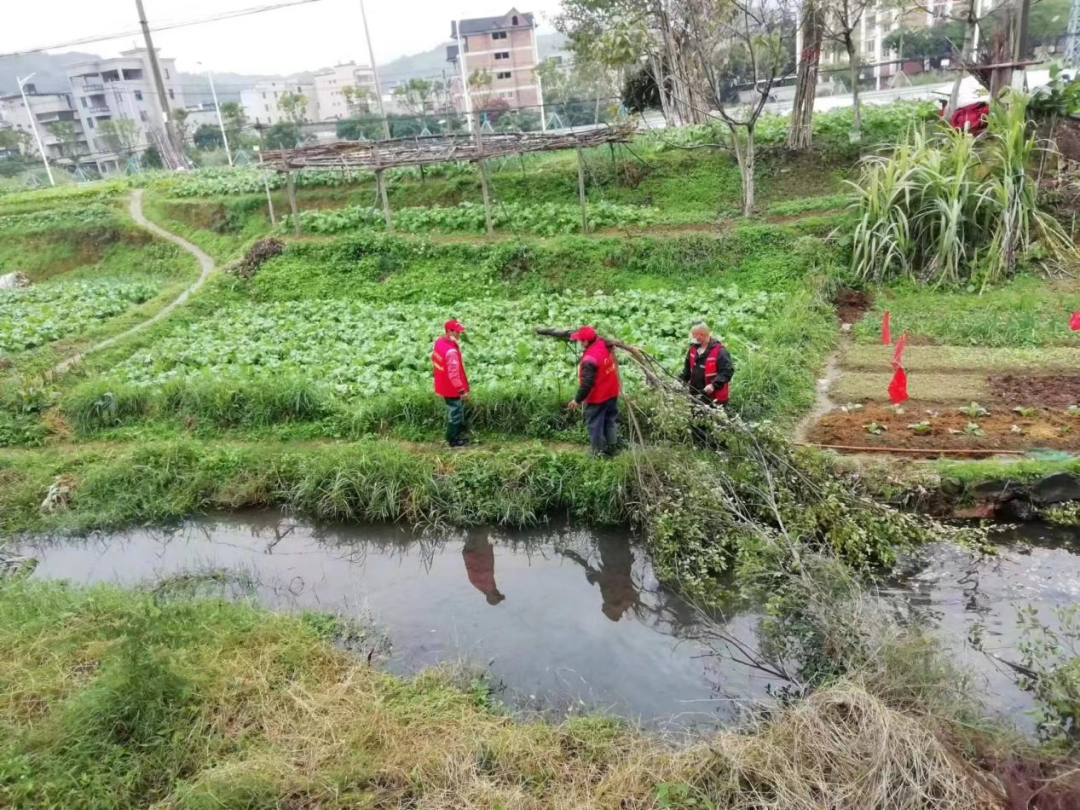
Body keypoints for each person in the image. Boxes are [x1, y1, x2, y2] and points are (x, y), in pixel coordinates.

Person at [566, 325, 621, 456]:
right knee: (610, 419)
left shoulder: (589, 359)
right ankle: (612, 446)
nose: (579, 342)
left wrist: (577, 400)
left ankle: (597, 452)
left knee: (595, 423)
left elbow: (586, 385)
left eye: (580, 340)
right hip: (612, 391)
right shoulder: (602, 342)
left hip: (599, 397)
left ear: (585, 342)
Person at [681, 321, 734, 447]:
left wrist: (713, 385)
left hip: (714, 397)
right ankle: (700, 448)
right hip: (696, 394)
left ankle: (719, 450)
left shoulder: (720, 352)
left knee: (717, 426)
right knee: (697, 424)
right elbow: (687, 371)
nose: (692, 339)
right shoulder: (693, 350)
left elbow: (727, 371)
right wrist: (679, 382)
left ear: (701, 335)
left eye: (694, 336)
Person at [432, 318, 470, 447]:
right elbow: (454, 375)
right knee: (455, 410)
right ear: (449, 332)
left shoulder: (439, 342)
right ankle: (453, 439)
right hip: (451, 387)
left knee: (452, 408)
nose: (459, 334)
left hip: (442, 383)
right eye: (457, 332)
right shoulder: (451, 352)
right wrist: (462, 391)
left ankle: (457, 430)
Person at [462, 533, 505, 606]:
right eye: (498, 594)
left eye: (496, 594)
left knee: (481, 528)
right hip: (473, 552)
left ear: (491, 596)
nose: (497, 592)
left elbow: (485, 565)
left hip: (475, 551)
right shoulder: (485, 587)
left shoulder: (488, 586)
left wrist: (487, 547)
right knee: (479, 528)